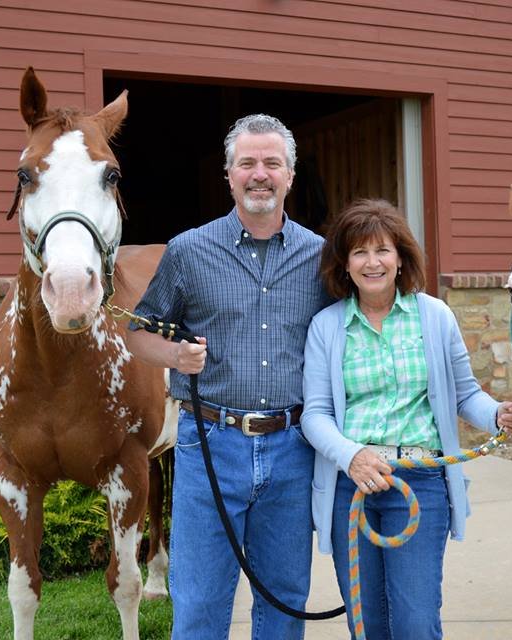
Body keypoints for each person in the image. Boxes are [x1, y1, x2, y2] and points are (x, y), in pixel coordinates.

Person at [127, 114, 331, 640]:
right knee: (199, 601)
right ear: (229, 174)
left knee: (285, 601)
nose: (259, 174)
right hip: (209, 445)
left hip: (292, 447)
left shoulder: (320, 257)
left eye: (271, 163)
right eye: (247, 163)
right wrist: (175, 355)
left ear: (290, 174)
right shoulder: (189, 251)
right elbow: (136, 336)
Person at [301, 199, 512, 640]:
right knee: (368, 626)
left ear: (400, 258)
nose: (372, 262)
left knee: (415, 622)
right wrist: (353, 456)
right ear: (345, 264)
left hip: (418, 482)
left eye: (382, 250)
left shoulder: (435, 317)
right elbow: (315, 415)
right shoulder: (326, 327)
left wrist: (497, 414)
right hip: (353, 485)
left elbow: (464, 394)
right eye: (359, 252)